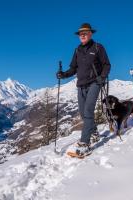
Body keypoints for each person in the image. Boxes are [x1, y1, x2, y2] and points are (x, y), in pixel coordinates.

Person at [56, 23, 111, 156]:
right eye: (81, 34)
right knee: (82, 113)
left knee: (88, 111)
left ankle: (84, 144)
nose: (83, 35)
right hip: (81, 85)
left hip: (95, 83)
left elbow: (107, 65)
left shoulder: (98, 47)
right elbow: (73, 68)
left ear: (90, 34)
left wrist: (102, 78)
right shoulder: (77, 50)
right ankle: (94, 133)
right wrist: (64, 75)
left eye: (85, 33)